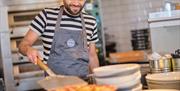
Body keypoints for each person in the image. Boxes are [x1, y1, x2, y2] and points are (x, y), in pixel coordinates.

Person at [18, 0, 99, 80]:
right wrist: (28, 49)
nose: (76, 3)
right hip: (54, 84)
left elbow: (92, 56)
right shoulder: (47, 15)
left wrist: (98, 81)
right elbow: (23, 45)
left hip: (84, 84)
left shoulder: (91, 21)